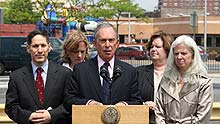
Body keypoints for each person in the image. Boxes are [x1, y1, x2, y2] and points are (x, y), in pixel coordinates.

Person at [64, 23, 142, 111]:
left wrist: (124, 105)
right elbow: (69, 100)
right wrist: (88, 103)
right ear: (95, 43)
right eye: (103, 40)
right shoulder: (80, 70)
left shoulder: (130, 71)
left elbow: (137, 102)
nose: (107, 45)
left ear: (117, 43)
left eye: (111, 40)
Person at [5, 30, 72, 124]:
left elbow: (69, 103)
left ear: (49, 47)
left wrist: (52, 115)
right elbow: (11, 107)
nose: (40, 50)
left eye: (43, 46)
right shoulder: (16, 77)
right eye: (35, 46)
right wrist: (28, 116)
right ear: (28, 48)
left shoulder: (64, 74)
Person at [155, 35, 213, 124]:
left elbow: (202, 118)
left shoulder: (204, 83)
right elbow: (159, 113)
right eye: (176, 53)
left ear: (193, 55)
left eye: (184, 53)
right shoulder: (166, 80)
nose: (179, 57)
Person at [136, 31, 173, 124]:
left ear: (167, 49)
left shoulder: (176, 74)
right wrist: (143, 105)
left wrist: (159, 107)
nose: (153, 49)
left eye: (158, 47)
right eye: (151, 46)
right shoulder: (139, 73)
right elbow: (132, 98)